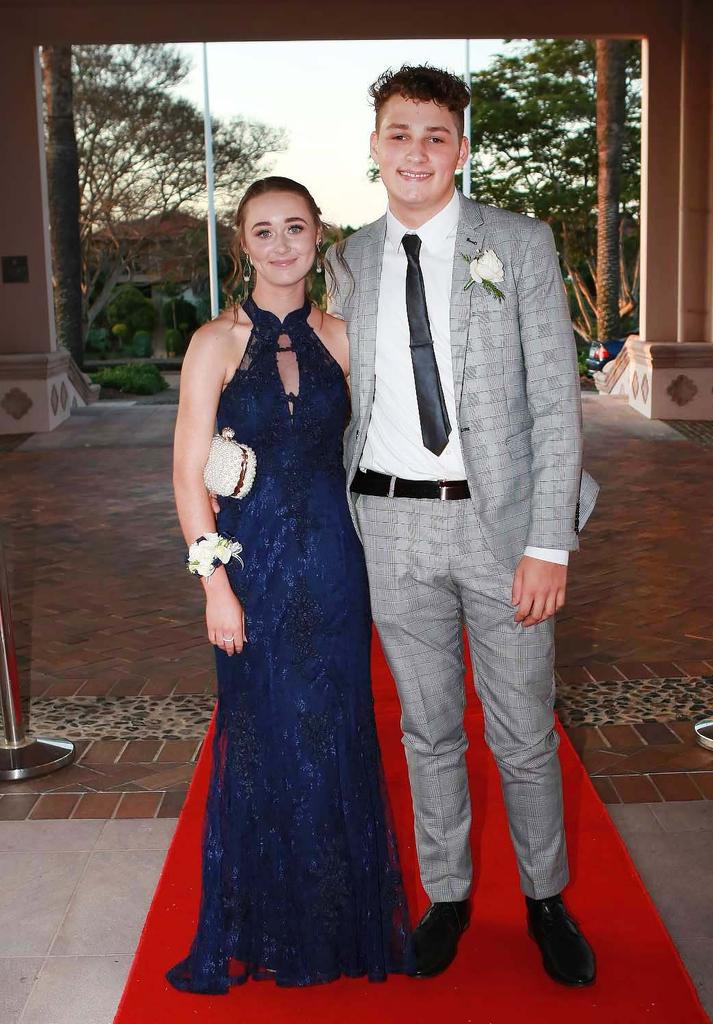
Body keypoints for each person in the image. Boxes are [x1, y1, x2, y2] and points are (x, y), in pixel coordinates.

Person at [325, 65, 600, 987]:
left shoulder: (517, 245)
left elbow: (557, 408)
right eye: (399, 133)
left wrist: (548, 541)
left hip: (502, 527)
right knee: (429, 728)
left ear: (461, 150)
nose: (416, 151)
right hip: (391, 525)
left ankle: (545, 897)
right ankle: (446, 895)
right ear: (374, 146)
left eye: (436, 136)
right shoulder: (350, 258)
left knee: (522, 728)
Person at [168, 176, 410, 993]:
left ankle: (337, 924)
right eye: (263, 231)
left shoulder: (346, 337)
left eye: (295, 228)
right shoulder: (214, 343)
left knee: (335, 735)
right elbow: (185, 476)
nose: (281, 244)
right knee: (265, 736)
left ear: (317, 236)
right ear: (243, 245)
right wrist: (215, 587)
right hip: (253, 569)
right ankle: (267, 921)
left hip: (337, 567)